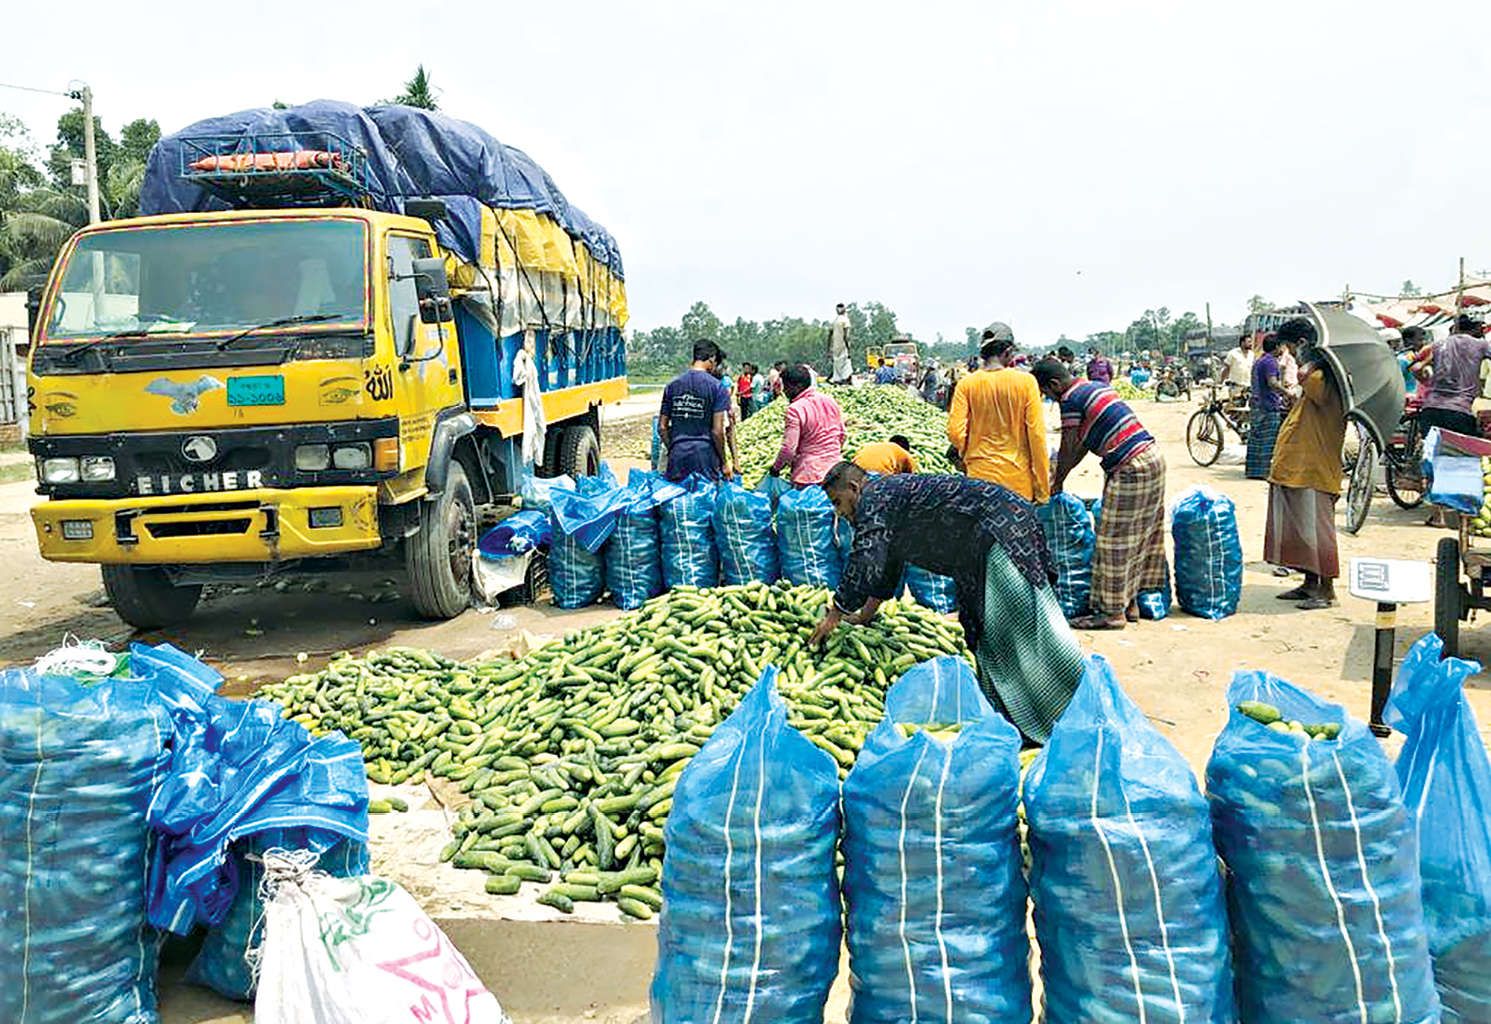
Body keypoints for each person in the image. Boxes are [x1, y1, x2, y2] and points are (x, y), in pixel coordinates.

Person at [808, 464, 1082, 745]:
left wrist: (835, 614)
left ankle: (1067, 716)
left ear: (854, 488)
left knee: (1018, 632)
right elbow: (886, 565)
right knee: (990, 633)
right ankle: (1019, 720)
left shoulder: (875, 498)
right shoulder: (884, 500)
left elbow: (866, 559)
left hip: (1000, 533)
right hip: (988, 538)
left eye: (837, 502)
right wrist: (865, 615)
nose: (839, 512)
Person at [1035, 357, 1168, 630]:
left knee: (1112, 540)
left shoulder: (1070, 399)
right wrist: (1060, 476)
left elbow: (1069, 444)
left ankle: (1111, 613)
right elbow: (1082, 444)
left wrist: (1057, 482)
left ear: (1055, 384)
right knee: (1139, 534)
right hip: (1151, 458)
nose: (1049, 399)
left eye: (1046, 393)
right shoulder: (1093, 387)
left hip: (1131, 465)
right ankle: (1130, 603)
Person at [1264, 318, 1346, 609]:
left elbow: (1310, 382)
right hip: (1298, 465)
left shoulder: (1324, 375)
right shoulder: (1317, 374)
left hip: (1315, 465)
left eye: (1291, 348)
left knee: (1317, 529)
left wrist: (1307, 363)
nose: (1289, 356)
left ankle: (1326, 590)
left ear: (1302, 344)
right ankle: (1310, 583)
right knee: (1299, 527)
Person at [947, 327, 1051, 503]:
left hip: (979, 481)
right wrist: (1042, 489)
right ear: (1008, 352)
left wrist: (969, 456)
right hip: (1017, 484)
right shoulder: (1026, 382)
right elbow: (1037, 436)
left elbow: (955, 433)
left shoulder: (966, 384)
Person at [659, 339, 731, 482]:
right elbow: (717, 431)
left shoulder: (672, 386)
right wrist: (724, 462)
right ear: (711, 359)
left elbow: (662, 427)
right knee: (704, 495)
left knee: (678, 495)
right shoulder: (717, 387)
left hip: (677, 455)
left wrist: (672, 447)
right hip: (704, 456)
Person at [1411, 314, 1491, 437]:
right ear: (1476, 327)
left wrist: (1427, 381)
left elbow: (1416, 368)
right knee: (1461, 448)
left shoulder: (1438, 345)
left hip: (1431, 408)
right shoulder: (1481, 345)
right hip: (1459, 410)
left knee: (1431, 447)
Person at [769, 363, 846, 487]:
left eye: (786, 387)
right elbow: (842, 435)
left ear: (797, 386)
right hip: (836, 472)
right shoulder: (830, 401)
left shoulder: (795, 409)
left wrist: (776, 469)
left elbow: (788, 449)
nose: (784, 391)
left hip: (809, 475)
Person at [1247, 334, 1289, 479]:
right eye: (1282, 346)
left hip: (1257, 404)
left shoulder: (1259, 361)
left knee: (1256, 438)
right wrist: (1287, 393)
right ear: (1276, 347)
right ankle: (1263, 471)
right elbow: (1272, 382)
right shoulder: (1271, 362)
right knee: (1268, 440)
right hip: (1268, 405)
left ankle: (1253, 470)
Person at [853, 435, 918, 474]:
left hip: (856, 473)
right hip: (878, 476)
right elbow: (911, 478)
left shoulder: (871, 446)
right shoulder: (906, 455)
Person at [1221, 333, 1254, 400]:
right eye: (1249, 342)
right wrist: (1221, 382)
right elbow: (1226, 368)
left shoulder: (1251, 354)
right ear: (1242, 343)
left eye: (1251, 342)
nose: (1251, 344)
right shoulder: (1233, 353)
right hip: (1235, 387)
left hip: (1247, 388)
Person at [827, 303, 853, 385]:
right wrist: (849, 349)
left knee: (837, 366)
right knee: (846, 366)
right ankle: (845, 381)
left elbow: (829, 335)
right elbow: (846, 336)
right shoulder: (845, 320)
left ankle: (837, 381)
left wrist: (829, 349)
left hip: (835, 348)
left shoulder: (834, 321)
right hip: (843, 347)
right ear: (844, 310)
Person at [1397, 326, 1424, 397]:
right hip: (1407, 396)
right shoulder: (1402, 359)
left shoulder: (1417, 355)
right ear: (1408, 340)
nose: (1423, 343)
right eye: (1420, 340)